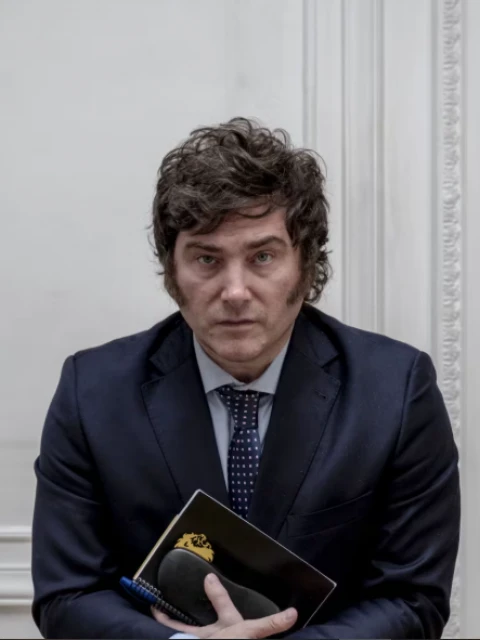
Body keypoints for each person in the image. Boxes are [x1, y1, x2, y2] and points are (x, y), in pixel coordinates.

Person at [31, 117, 460, 639]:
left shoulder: (396, 391)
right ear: (173, 270)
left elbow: (413, 600)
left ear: (306, 265)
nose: (234, 291)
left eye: (262, 257)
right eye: (206, 259)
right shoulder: (92, 392)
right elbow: (68, 596)